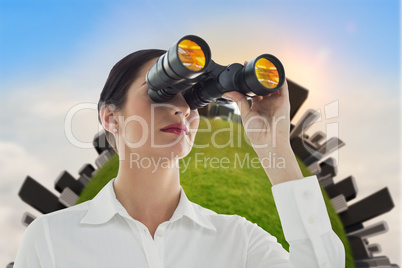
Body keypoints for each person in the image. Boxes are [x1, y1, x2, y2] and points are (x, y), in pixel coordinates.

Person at [14, 49, 345, 267]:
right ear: (111, 119)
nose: (181, 108)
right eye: (159, 91)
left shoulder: (236, 240)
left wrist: (275, 146)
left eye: (192, 97)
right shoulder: (51, 239)